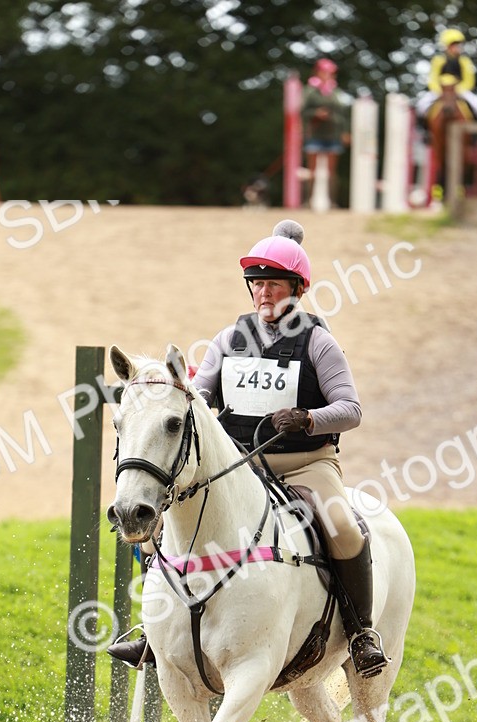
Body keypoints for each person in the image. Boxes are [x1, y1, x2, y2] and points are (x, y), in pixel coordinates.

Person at [109, 221, 389, 678]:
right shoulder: (227, 341)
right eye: (256, 284)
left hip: (306, 463)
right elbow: (197, 400)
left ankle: (361, 633)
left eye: (272, 283)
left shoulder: (318, 342)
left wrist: (309, 418)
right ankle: (153, 631)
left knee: (343, 525)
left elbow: (352, 409)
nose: (262, 293)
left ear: (297, 288)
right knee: (163, 520)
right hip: (241, 466)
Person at [300, 58, 351, 207]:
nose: (329, 75)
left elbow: (342, 114)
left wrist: (345, 131)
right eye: (326, 72)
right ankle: (308, 202)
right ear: (317, 72)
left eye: (331, 73)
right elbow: (302, 111)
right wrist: (315, 113)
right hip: (315, 134)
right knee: (312, 171)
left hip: (333, 134)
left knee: (332, 173)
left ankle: (332, 202)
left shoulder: (335, 91)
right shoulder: (309, 90)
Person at [415, 28, 477, 122]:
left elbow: (469, 81)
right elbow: (433, 79)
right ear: (447, 46)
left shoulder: (464, 61)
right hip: (440, 91)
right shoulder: (438, 60)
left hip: (460, 91)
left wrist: (456, 90)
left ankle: (475, 132)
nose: (457, 47)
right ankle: (424, 131)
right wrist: (440, 91)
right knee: (421, 105)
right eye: (454, 45)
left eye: (459, 45)